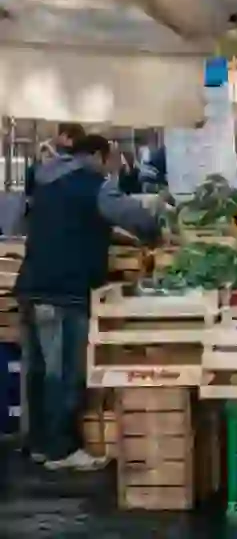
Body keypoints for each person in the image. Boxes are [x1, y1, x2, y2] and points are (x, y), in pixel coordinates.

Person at [16, 134, 161, 471]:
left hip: (32, 285)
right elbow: (131, 214)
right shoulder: (93, 183)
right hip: (65, 291)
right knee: (64, 372)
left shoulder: (46, 180)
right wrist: (155, 234)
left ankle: (38, 444)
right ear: (98, 156)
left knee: (37, 372)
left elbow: (62, 224)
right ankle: (61, 450)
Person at [24, 123, 86, 203]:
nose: (59, 137)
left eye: (63, 135)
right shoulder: (78, 159)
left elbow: (39, 177)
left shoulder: (66, 160)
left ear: (70, 140)